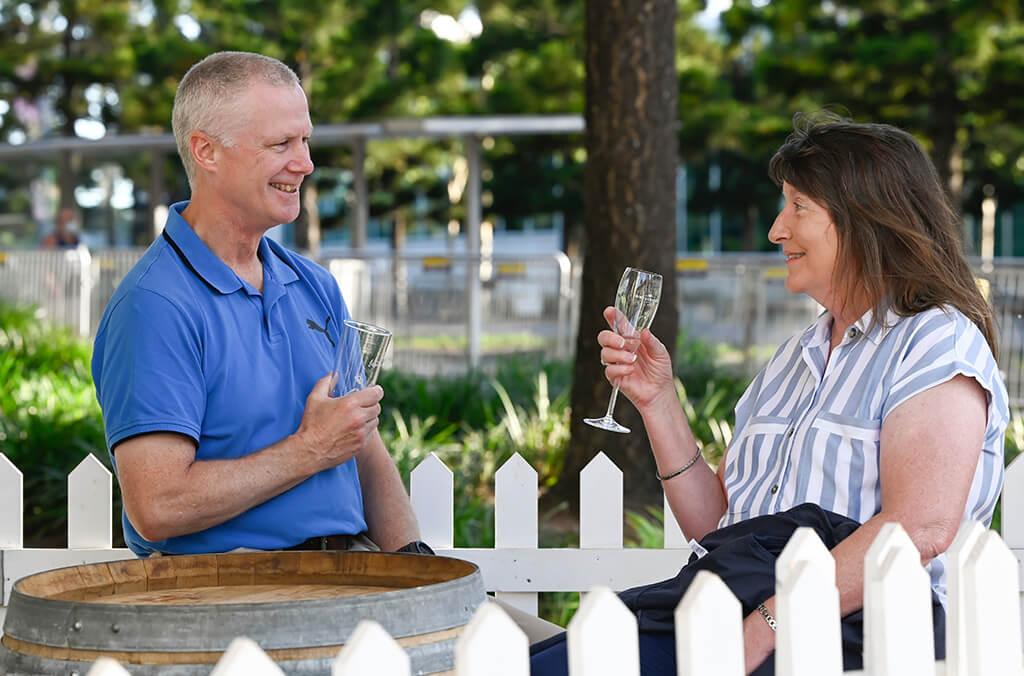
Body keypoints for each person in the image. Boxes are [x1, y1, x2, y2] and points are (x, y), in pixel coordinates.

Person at [531, 114, 1009, 675]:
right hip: (726, 606)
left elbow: (919, 528)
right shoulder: (791, 361)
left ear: (866, 218)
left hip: (847, 639)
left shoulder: (935, 340)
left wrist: (766, 626)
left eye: (798, 207)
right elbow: (717, 529)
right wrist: (656, 401)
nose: (776, 231)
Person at [91, 51, 429, 558]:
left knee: (544, 642)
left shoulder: (314, 285)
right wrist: (309, 451)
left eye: (306, 140)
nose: (306, 163)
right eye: (281, 144)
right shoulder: (153, 305)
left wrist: (413, 563)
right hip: (239, 596)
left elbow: (360, 447)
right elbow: (157, 507)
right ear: (206, 151)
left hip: (355, 577)